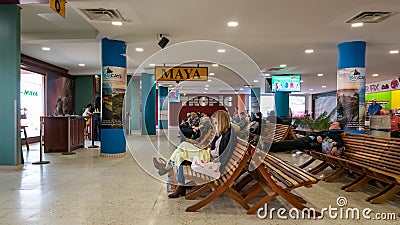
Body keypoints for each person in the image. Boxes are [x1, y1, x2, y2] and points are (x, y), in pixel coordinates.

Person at [153, 110, 237, 198]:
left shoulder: (227, 136)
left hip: (210, 159)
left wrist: (207, 150)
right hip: (208, 154)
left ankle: (170, 172)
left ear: (221, 122)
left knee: (181, 155)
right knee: (183, 145)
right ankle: (175, 179)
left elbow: (219, 153)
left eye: (216, 123)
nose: (215, 125)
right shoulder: (226, 133)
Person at [269, 121, 344, 156]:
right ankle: (270, 147)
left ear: (339, 127)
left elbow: (340, 142)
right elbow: (315, 133)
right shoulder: (328, 132)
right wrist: (318, 136)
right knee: (291, 143)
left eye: (333, 124)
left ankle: (270, 147)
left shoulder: (337, 134)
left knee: (291, 144)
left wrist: (336, 146)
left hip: (312, 144)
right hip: (308, 141)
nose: (331, 124)